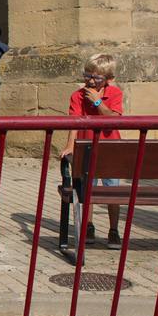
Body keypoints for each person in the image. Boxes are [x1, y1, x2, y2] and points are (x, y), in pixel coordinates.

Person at [60, 53, 125, 250]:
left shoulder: (114, 93)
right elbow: (74, 123)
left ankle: (113, 230)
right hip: (86, 146)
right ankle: (88, 226)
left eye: (96, 77)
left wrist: (98, 102)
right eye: (87, 75)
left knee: (112, 190)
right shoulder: (77, 96)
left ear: (106, 79)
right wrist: (70, 145)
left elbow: (112, 118)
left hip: (109, 147)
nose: (89, 80)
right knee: (87, 190)